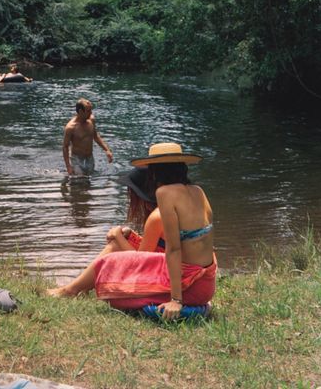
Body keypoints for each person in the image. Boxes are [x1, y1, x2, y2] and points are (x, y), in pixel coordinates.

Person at [48, 142, 216, 319]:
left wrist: (176, 300)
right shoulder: (198, 191)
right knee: (117, 255)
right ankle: (70, 290)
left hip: (190, 286)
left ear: (154, 173)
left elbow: (171, 250)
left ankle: (70, 290)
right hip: (206, 284)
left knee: (113, 289)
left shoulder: (165, 193)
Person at [62, 98, 113, 175]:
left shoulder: (91, 120)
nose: (91, 113)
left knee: (89, 178)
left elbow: (95, 136)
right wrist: (68, 167)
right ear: (80, 111)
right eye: (88, 111)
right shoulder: (70, 127)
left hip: (89, 157)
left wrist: (107, 150)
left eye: (91, 110)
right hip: (77, 159)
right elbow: (65, 147)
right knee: (80, 179)